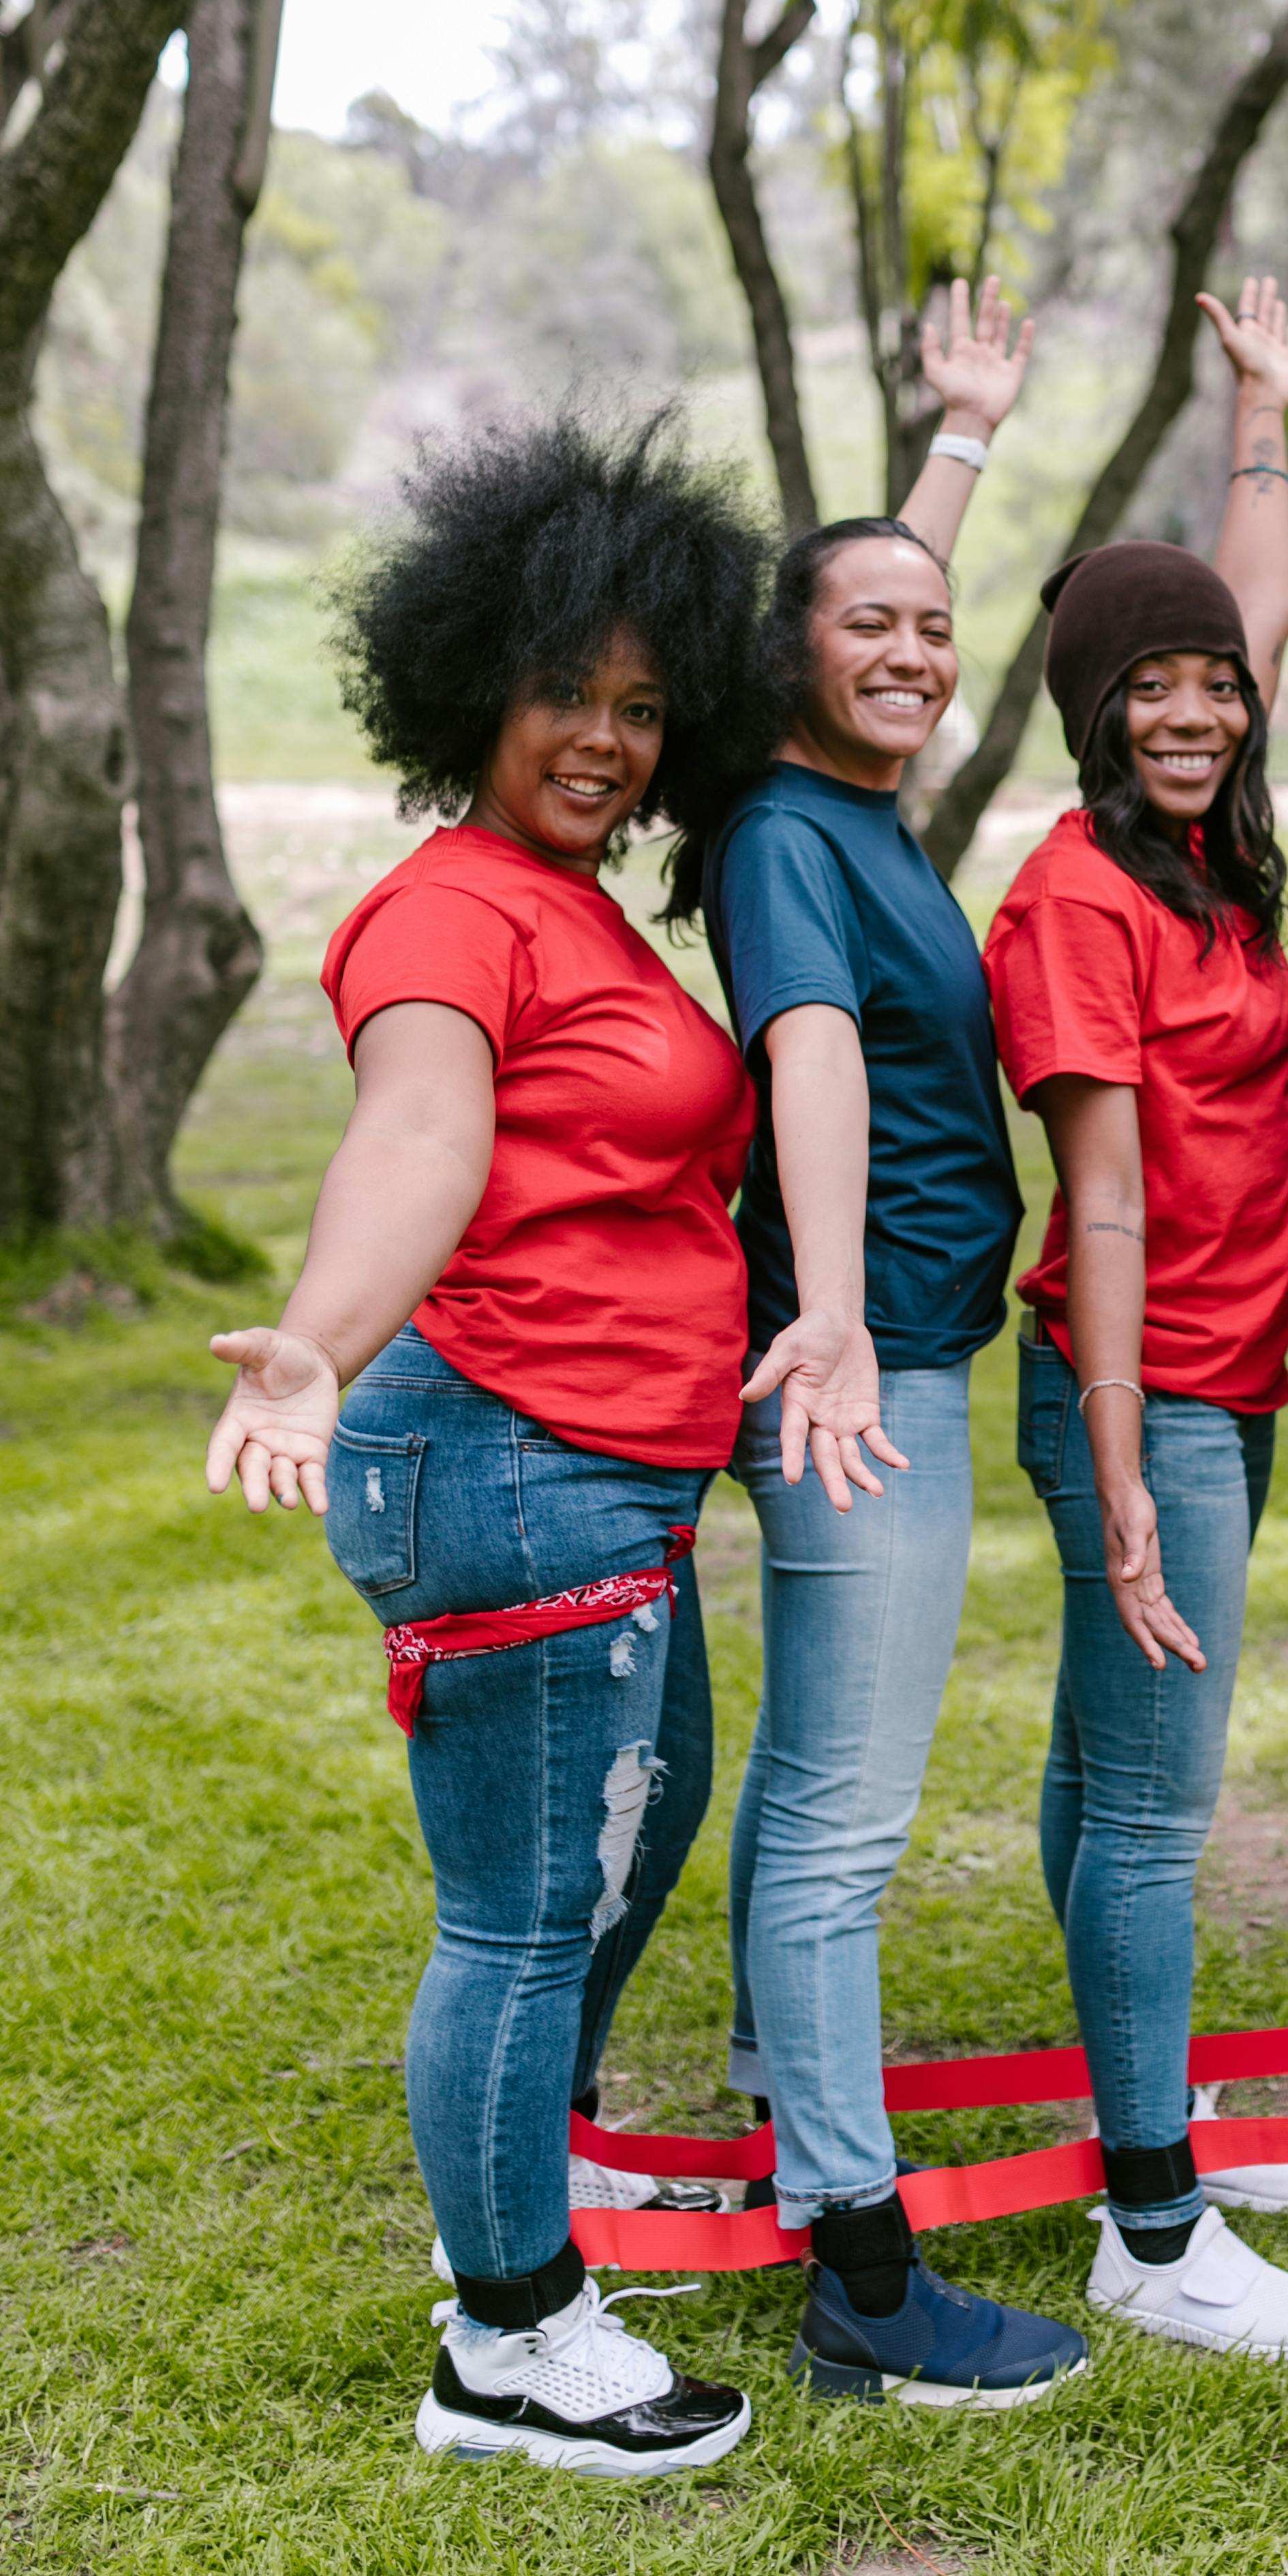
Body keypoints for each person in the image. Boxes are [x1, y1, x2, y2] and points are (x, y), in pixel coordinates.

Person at [203, 418, 767, 2476]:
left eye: (642, 705)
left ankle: (529, 2188)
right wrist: (319, 1347)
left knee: (629, 1834)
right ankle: (510, 2339)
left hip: (607, 1464)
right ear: (471, 687)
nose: (605, 741)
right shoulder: (451, 915)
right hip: (504, 1451)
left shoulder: (576, 906)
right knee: (529, 1905)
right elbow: (421, 1132)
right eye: (565, 694)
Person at [701, 278, 1090, 2408]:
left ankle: (790, 2114)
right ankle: (861, 2271)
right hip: (866, 1379)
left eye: (940, 632)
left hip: (884, 1354)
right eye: (875, 631)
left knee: (810, 1796)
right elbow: (815, 1056)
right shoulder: (784, 835)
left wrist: (957, 434)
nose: (919, 653)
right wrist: (838, 1316)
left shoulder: (850, 810)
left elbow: (876, 595)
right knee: (844, 1817)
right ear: (786, 657)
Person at [982, 279, 1288, 2362]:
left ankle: (1145, 2113)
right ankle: (1152, 2226)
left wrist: (1259, 413)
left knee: (1098, 1773)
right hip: (1145, 1388)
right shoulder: (1078, 900)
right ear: (1092, 711)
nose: (1199, 708)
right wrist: (1128, 1476)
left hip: (1228, 1375)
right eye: (1152, 692)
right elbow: (1100, 1201)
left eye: (1210, 684)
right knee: (1150, 1806)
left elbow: (1265, 606)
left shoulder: (1212, 846)